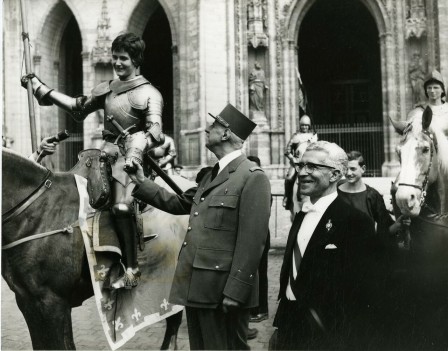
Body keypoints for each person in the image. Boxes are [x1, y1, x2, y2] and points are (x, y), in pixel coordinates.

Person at [21, 32, 164, 289]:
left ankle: (131, 268)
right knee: (65, 193)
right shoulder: (107, 90)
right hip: (102, 156)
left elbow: (155, 132)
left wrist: (134, 148)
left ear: (136, 60)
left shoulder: (149, 93)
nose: (118, 63)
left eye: (123, 59)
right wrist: (41, 89)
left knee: (120, 207)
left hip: (130, 160)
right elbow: (78, 107)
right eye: (115, 58)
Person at [128, 103, 271, 350]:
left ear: (226, 133)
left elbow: (252, 242)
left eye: (213, 125)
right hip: (198, 287)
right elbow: (178, 202)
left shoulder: (252, 177)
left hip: (223, 291)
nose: (207, 129)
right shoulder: (211, 175)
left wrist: (236, 291)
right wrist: (141, 182)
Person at [272, 141, 379, 350]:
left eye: (312, 166)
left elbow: (363, 292)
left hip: (327, 335)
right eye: (300, 166)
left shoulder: (354, 221)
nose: (302, 172)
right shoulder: (302, 214)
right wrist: (280, 329)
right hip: (290, 329)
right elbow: (292, 274)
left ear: (335, 174)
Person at [338, 150, 410, 244]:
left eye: (353, 169)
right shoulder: (335, 193)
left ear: (363, 169)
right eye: (346, 169)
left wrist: (398, 225)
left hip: (364, 252)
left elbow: (384, 230)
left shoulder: (372, 196)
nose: (348, 173)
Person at [246, 156, 270, 340]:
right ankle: (254, 308)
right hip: (252, 232)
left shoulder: (261, 183)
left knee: (260, 272)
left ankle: (261, 309)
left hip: (260, 232)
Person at [283, 115, 318, 219]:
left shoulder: (313, 136)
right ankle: (287, 198)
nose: (304, 127)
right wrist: (293, 160)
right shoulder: (295, 136)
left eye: (306, 125)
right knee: (289, 178)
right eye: (303, 125)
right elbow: (287, 151)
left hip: (310, 163)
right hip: (297, 163)